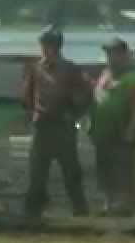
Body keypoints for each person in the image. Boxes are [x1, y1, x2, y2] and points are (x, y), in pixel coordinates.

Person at [22, 27, 91, 219]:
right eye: (44, 45)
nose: (46, 49)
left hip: (63, 126)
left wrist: (75, 113)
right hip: (42, 126)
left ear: (57, 47)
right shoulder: (36, 68)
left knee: (71, 171)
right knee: (37, 172)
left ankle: (80, 210)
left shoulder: (70, 69)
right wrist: (32, 113)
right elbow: (27, 95)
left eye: (49, 45)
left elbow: (86, 94)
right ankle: (33, 212)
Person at [90, 37, 135, 216]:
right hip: (102, 131)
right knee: (105, 169)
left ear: (123, 55)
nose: (110, 57)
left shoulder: (133, 77)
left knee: (124, 169)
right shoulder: (105, 74)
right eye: (108, 54)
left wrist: (131, 128)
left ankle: (127, 206)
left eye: (114, 54)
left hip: (123, 131)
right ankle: (109, 203)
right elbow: (97, 99)